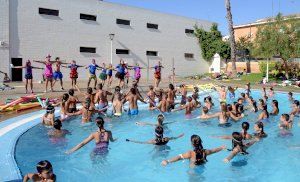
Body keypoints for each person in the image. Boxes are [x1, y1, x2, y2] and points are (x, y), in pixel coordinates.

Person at [161, 135, 226, 167]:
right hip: (202, 169)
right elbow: (213, 151)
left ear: (192, 144)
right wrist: (221, 148)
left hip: (193, 171)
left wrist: (167, 161)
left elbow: (179, 157)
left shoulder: (191, 153)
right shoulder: (205, 152)